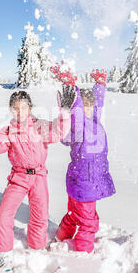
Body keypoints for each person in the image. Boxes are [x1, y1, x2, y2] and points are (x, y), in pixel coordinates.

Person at [0, 86, 75, 267]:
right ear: (10, 109)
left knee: (40, 215)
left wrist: (65, 112)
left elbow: (59, 132)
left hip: (39, 176)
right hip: (18, 178)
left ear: (30, 108)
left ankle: (37, 247)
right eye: (15, 108)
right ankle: (3, 251)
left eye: (23, 107)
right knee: (4, 214)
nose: (19, 111)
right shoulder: (8, 131)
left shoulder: (40, 126)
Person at [54, 68, 116, 254]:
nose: (89, 108)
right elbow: (77, 109)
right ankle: (82, 255)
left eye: (90, 105)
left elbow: (97, 105)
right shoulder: (78, 126)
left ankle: (60, 239)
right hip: (85, 182)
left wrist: (100, 85)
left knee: (73, 215)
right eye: (84, 105)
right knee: (89, 222)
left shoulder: (93, 121)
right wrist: (70, 86)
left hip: (81, 181)